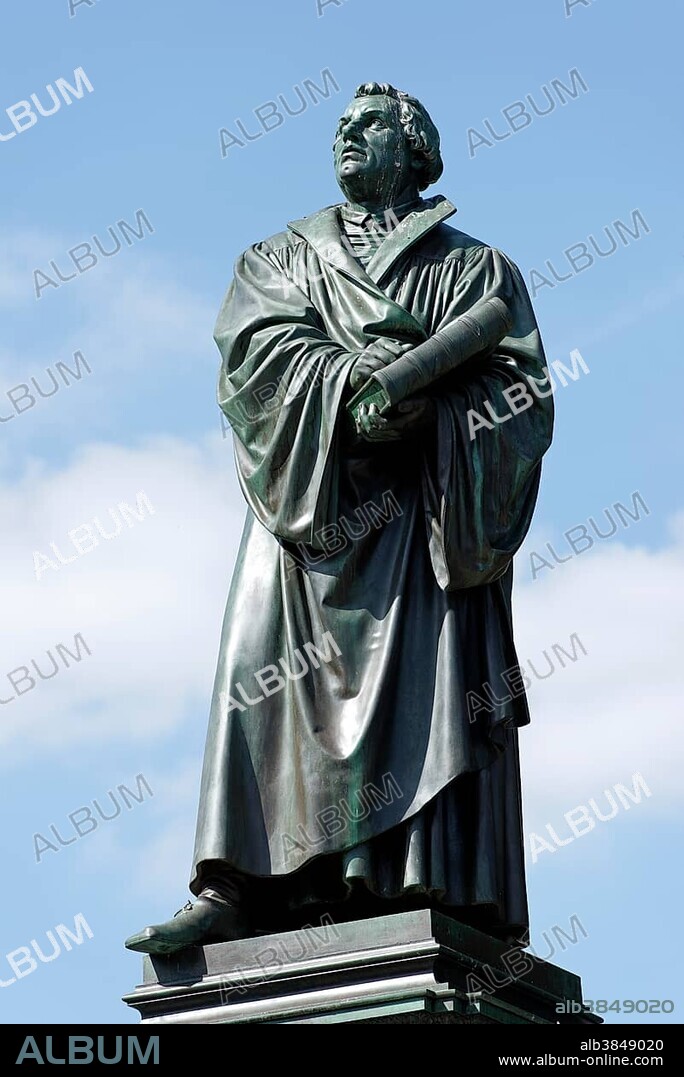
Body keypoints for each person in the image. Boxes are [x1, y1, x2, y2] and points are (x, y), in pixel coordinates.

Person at [125, 81, 554, 957]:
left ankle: (399, 876)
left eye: (368, 126)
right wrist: (349, 381)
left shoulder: (476, 271)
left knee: (425, 678)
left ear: (417, 146)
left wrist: (429, 409)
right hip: (306, 512)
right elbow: (253, 355)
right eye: (340, 129)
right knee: (256, 669)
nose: (347, 139)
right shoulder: (278, 258)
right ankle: (233, 884)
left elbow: (521, 396)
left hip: (419, 514)